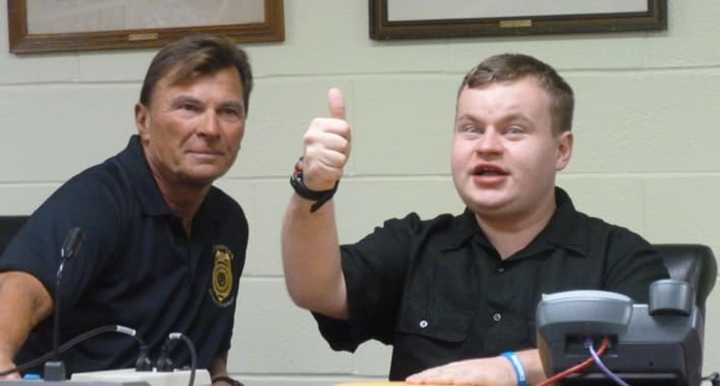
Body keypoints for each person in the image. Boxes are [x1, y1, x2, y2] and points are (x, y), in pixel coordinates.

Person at [281, 53, 669, 385]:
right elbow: (317, 290)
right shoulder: (415, 244)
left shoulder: (619, 257)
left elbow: (648, 353)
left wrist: (514, 369)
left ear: (561, 150)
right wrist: (314, 188)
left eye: (513, 131)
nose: (486, 146)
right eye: (470, 129)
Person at [0, 34, 251, 385]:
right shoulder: (99, 200)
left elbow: (210, 349)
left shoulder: (229, 221)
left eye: (228, 112)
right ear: (143, 121)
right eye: (188, 108)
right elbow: (22, 285)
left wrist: (220, 379)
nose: (210, 129)